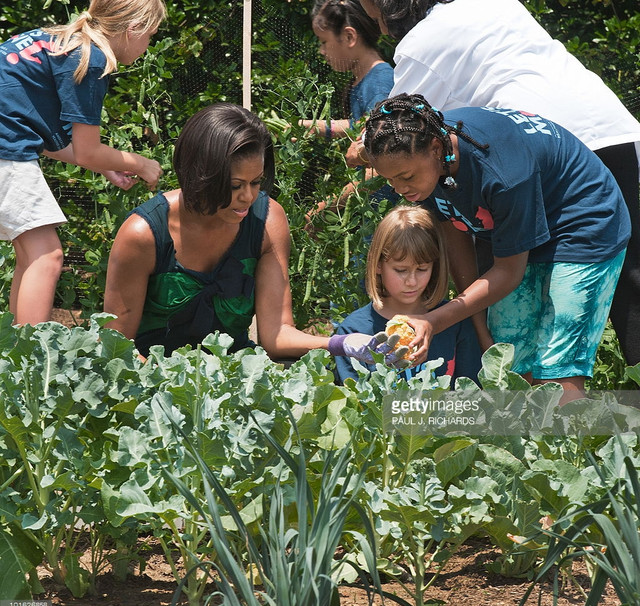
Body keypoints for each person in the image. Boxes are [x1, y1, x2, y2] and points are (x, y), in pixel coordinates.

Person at [352, 0, 640, 366]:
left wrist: (361, 151)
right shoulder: (490, 2)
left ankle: (556, 382)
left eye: (370, 8)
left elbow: (397, 127)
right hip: (606, 127)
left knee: (545, 341)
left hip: (542, 154)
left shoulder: (421, 44)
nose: (369, 16)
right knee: (630, 279)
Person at [363, 93, 630, 403]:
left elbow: (508, 272)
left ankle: (565, 446)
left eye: (406, 177)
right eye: (390, 180)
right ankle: (526, 444)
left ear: (436, 149)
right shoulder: (421, 154)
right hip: (515, 223)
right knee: (507, 359)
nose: (400, 189)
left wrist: (433, 321)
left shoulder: (502, 175)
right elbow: (455, 229)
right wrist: (480, 327)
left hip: (580, 220)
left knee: (557, 367)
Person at [103, 102, 407, 368]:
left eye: (256, 182)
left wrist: (342, 344)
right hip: (152, 388)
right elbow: (117, 350)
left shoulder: (267, 221)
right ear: (199, 175)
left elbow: (276, 335)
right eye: (235, 185)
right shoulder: (143, 235)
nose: (248, 197)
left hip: (233, 382)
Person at [0, 0, 167, 326]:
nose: (149, 45)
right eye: (151, 35)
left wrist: (106, 165)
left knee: (31, 255)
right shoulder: (91, 59)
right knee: (47, 257)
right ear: (133, 30)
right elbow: (87, 151)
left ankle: (15, 352)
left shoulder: (59, 42)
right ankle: (30, 363)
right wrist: (141, 163)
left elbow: (50, 140)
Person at [334, 204, 481, 385]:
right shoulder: (353, 330)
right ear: (378, 264)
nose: (412, 281)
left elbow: (471, 393)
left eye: (422, 269)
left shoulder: (454, 321)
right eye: (401, 270)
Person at [301, 0, 397, 223]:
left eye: (324, 42)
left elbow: (385, 159)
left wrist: (327, 207)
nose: (322, 51)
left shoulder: (380, 83)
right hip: (372, 211)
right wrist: (307, 127)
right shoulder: (364, 80)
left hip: (386, 214)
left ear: (349, 37)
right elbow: (360, 126)